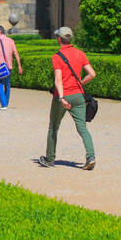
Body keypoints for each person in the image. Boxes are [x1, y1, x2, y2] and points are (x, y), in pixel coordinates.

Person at [39, 26, 97, 170]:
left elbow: (58, 80)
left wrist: (62, 98)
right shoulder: (80, 53)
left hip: (63, 96)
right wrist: (79, 84)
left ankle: (50, 159)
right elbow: (92, 74)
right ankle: (91, 157)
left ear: (59, 39)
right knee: (82, 128)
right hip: (78, 96)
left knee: (53, 127)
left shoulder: (57, 57)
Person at [0, 24, 23, 109]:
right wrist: (19, 65)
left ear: (0, 32)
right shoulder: (11, 40)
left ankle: (4, 105)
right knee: (7, 85)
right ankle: (6, 103)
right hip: (8, 66)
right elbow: (16, 53)